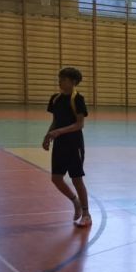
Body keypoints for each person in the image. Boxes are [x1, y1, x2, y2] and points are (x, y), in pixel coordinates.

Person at [41, 66, 92, 228]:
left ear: (73, 82)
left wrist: (58, 132)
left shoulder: (77, 99)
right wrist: (48, 136)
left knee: (76, 179)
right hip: (59, 144)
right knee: (56, 178)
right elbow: (55, 121)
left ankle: (86, 214)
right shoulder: (55, 99)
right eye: (59, 79)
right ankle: (75, 202)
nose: (60, 82)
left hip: (74, 144)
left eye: (63, 79)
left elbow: (79, 124)